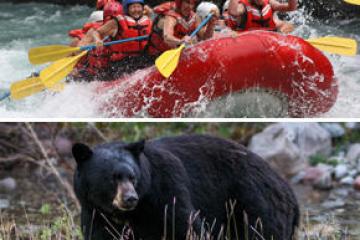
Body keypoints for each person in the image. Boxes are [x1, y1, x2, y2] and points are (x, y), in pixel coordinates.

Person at [77, 0, 152, 80]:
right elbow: (96, 33)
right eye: (133, 7)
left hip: (141, 58)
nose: (136, 9)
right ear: (127, 9)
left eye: (138, 7)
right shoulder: (116, 22)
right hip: (123, 62)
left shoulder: (146, 20)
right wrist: (98, 40)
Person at [145, 0, 219, 57]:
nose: (190, 6)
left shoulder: (195, 17)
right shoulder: (170, 17)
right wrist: (180, 41)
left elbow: (205, 38)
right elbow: (167, 37)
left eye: (192, 3)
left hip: (175, 55)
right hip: (155, 56)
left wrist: (211, 25)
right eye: (187, 2)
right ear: (180, 3)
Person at [224, 0, 297, 32]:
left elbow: (291, 7)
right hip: (248, 41)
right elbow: (233, 12)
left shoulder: (270, 3)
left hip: (269, 39)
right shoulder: (243, 6)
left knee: (287, 25)